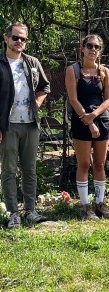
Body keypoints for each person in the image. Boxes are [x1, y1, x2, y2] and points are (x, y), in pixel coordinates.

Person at [0, 22, 50, 228]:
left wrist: (37, 104)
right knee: (9, 170)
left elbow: (45, 86)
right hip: (7, 125)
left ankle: (30, 210)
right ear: (6, 38)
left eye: (23, 39)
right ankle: (13, 213)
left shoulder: (32, 62)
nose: (19, 42)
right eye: (15, 38)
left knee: (30, 169)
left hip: (30, 124)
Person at [66, 34, 109, 220]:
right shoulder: (73, 70)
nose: (92, 49)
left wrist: (94, 117)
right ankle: (85, 206)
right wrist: (87, 119)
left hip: (101, 119)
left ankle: (100, 204)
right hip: (81, 119)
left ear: (100, 51)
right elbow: (73, 98)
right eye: (89, 45)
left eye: (96, 47)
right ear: (82, 47)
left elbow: (108, 99)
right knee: (84, 163)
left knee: (100, 163)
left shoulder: (104, 72)